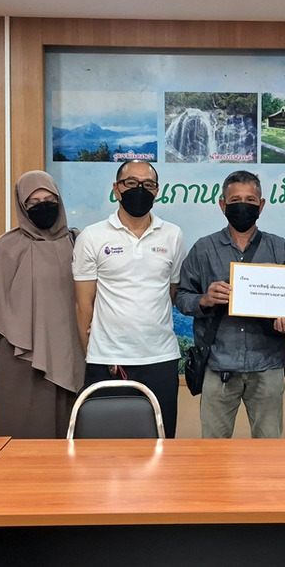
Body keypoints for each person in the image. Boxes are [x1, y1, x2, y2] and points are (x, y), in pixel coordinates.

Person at [0, 171, 85, 438]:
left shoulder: (77, 243)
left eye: (49, 200)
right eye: (34, 202)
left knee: (70, 437)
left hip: (70, 357)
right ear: (22, 206)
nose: (43, 206)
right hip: (19, 361)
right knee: (21, 436)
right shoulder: (6, 247)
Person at [175, 170, 285, 438]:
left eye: (250, 200)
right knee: (213, 449)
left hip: (267, 364)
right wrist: (204, 299)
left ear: (261, 205)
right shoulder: (204, 249)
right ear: (222, 205)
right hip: (218, 364)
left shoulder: (279, 248)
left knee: (270, 447)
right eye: (235, 200)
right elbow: (181, 297)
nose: (243, 205)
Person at [73, 159, 186, 437]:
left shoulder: (173, 235)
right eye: (131, 183)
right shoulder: (92, 236)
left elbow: (172, 293)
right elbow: (84, 304)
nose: (140, 190)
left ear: (157, 191)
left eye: (148, 185)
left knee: (160, 440)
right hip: (108, 360)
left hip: (160, 358)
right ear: (116, 189)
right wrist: (95, 352)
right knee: (106, 444)